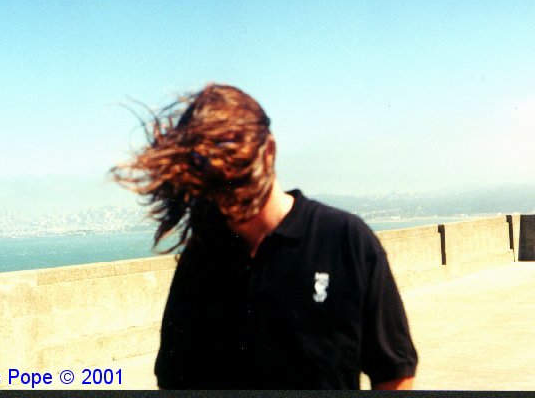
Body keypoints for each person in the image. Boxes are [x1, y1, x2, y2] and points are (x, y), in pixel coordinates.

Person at [111, 84, 418, 390]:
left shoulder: (345, 239)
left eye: (237, 173)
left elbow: (395, 373)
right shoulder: (202, 258)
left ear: (268, 151)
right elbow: (175, 379)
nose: (228, 197)